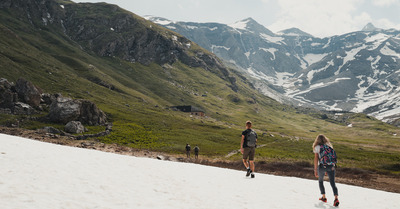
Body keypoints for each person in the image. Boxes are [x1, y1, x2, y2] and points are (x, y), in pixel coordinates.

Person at [313, 134, 339, 207]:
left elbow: (316, 159)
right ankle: (336, 198)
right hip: (331, 166)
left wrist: (315, 169)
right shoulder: (329, 146)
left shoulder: (317, 147)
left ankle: (324, 197)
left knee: (321, 181)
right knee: (332, 182)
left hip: (322, 166)